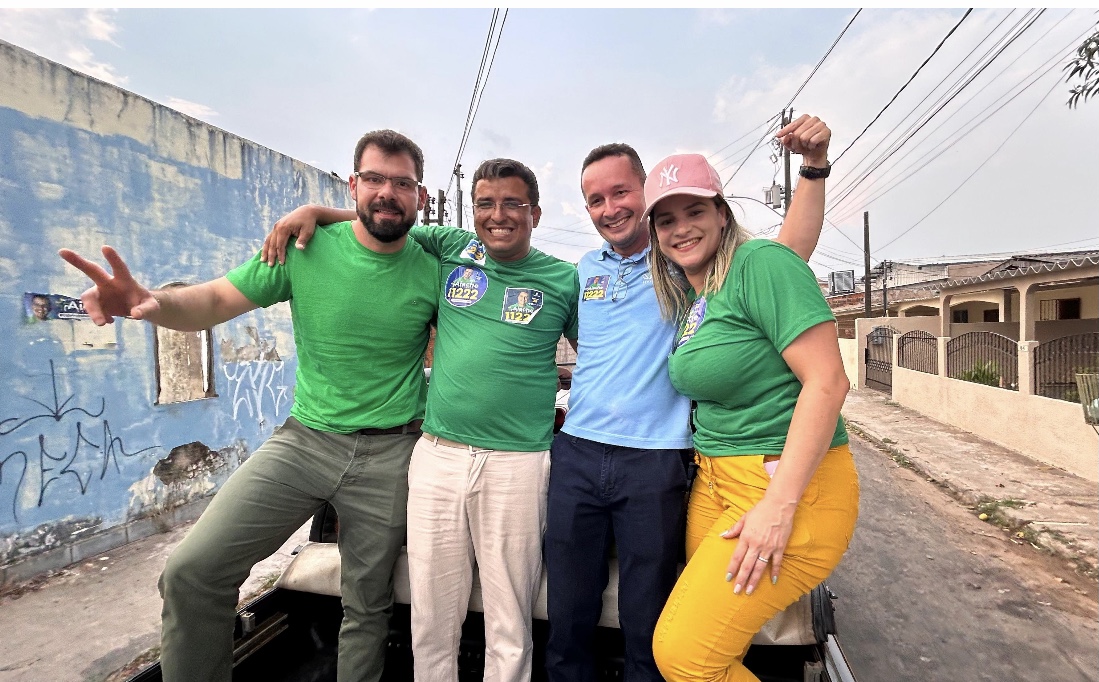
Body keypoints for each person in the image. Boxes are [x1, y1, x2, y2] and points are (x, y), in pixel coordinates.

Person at [58, 129, 440, 682]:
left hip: (393, 452)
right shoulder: (304, 249)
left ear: (420, 197)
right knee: (192, 573)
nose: (387, 192)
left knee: (368, 604)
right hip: (305, 441)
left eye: (402, 183)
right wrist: (151, 302)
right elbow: (213, 299)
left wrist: (314, 207)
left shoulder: (432, 262)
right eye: (374, 179)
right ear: (352, 184)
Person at [262, 158, 579, 682]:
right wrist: (316, 211)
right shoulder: (452, 248)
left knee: (510, 616)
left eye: (512, 204)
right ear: (473, 211)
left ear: (536, 213)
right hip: (437, 457)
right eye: (485, 204)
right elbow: (384, 218)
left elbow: (603, 352)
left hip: (518, 463)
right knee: (431, 613)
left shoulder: (563, 279)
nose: (497, 215)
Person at [545, 115, 832, 682]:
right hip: (576, 452)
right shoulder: (583, 271)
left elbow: (785, 254)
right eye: (595, 199)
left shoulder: (681, 269)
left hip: (655, 460)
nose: (609, 208)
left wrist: (814, 169)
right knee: (567, 613)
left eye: (621, 192)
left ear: (644, 193)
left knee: (648, 618)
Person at [641, 152, 858, 681]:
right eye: (665, 219)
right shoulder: (704, 294)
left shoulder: (760, 262)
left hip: (782, 488)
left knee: (685, 656)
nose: (680, 228)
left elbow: (827, 381)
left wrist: (779, 504)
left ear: (721, 213)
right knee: (719, 646)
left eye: (693, 210)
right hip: (716, 484)